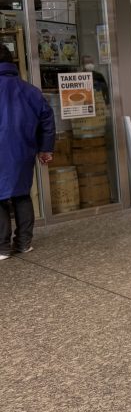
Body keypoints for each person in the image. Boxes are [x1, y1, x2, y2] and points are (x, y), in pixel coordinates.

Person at [0, 44, 55, 259]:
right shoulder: (30, 90)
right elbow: (47, 120)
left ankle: (2, 248)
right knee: (22, 194)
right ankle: (23, 243)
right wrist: (45, 148)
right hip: (23, 150)